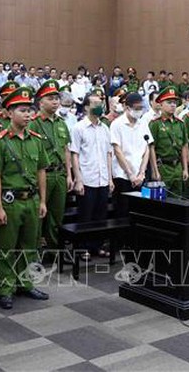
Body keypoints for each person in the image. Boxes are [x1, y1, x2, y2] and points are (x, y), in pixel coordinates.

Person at [0, 86, 50, 310]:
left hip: (31, 200)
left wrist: (42, 201)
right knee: (6, 247)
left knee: (29, 246)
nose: (27, 114)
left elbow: (41, 170)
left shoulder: (36, 140)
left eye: (29, 110)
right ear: (9, 113)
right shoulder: (0, 141)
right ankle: (6, 288)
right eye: (22, 110)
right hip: (10, 201)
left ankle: (26, 283)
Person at [30, 80, 72, 253]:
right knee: (38, 215)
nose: (55, 102)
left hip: (59, 174)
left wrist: (69, 174)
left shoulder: (61, 122)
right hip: (43, 175)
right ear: (41, 102)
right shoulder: (33, 123)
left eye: (56, 98)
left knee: (57, 215)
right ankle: (35, 251)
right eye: (50, 98)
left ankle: (55, 251)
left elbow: (66, 149)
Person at [71, 93, 114, 258]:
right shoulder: (79, 128)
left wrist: (110, 178)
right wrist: (78, 179)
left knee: (100, 216)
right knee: (85, 216)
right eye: (95, 103)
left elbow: (108, 154)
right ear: (86, 107)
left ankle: (97, 246)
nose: (99, 106)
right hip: (87, 178)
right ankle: (83, 248)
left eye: (101, 103)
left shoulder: (105, 128)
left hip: (102, 178)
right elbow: (75, 154)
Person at [110, 92, 153, 217]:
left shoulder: (143, 123)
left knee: (140, 211)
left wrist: (142, 172)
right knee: (123, 211)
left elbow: (147, 148)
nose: (139, 111)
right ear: (128, 108)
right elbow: (117, 151)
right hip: (122, 175)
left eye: (141, 108)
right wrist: (130, 174)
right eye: (136, 108)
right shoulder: (117, 124)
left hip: (140, 175)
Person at [149, 87, 189, 196]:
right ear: (161, 104)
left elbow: (184, 146)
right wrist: (155, 171)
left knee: (178, 198)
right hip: (163, 167)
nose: (173, 105)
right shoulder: (155, 124)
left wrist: (185, 169)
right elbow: (151, 148)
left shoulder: (180, 123)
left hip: (177, 167)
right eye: (169, 102)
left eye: (174, 103)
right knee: (163, 200)